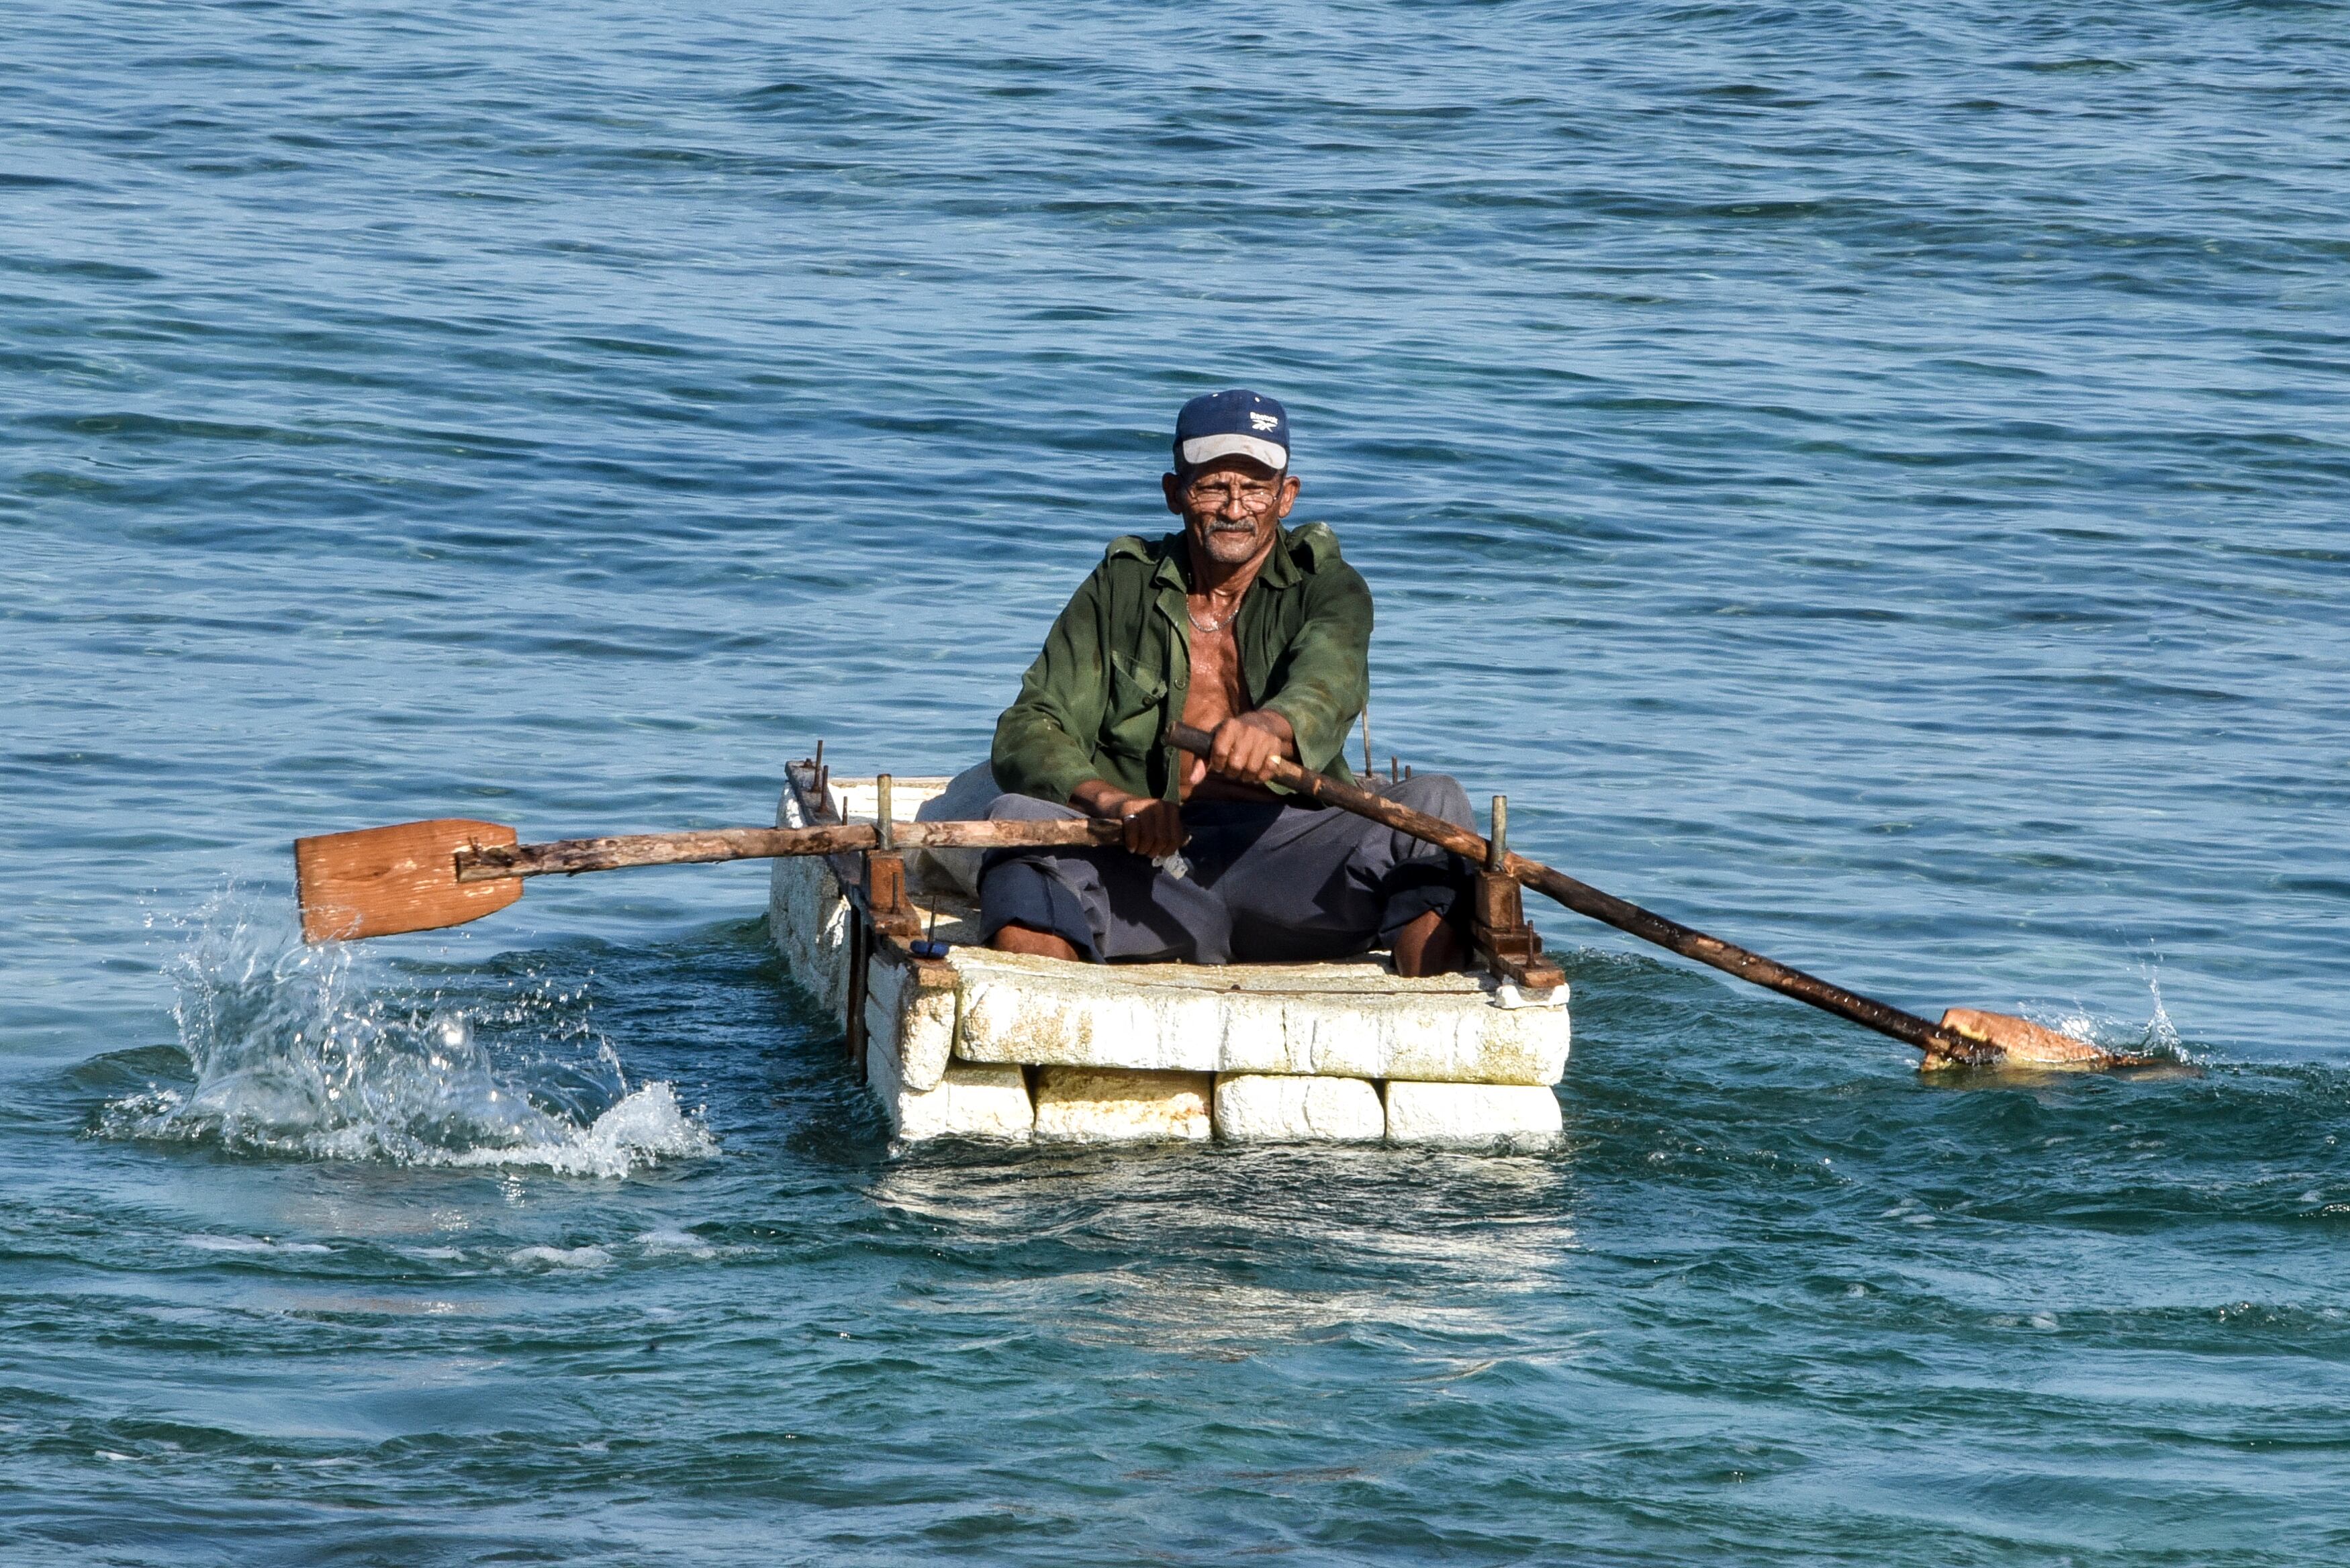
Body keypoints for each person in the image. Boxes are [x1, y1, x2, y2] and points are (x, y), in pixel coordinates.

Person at [978, 389, 1475, 975]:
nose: (1234, 508)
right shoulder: (1119, 587)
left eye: (1255, 488)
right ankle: (1041, 1028)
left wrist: (1273, 725)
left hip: (1295, 870)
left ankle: (1433, 1019)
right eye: (1212, 486)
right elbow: (1029, 726)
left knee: (1435, 806)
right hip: (1148, 870)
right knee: (1018, 825)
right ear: (1174, 494)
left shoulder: (1331, 588)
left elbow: (1327, 683)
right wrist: (1118, 802)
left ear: (1286, 497)